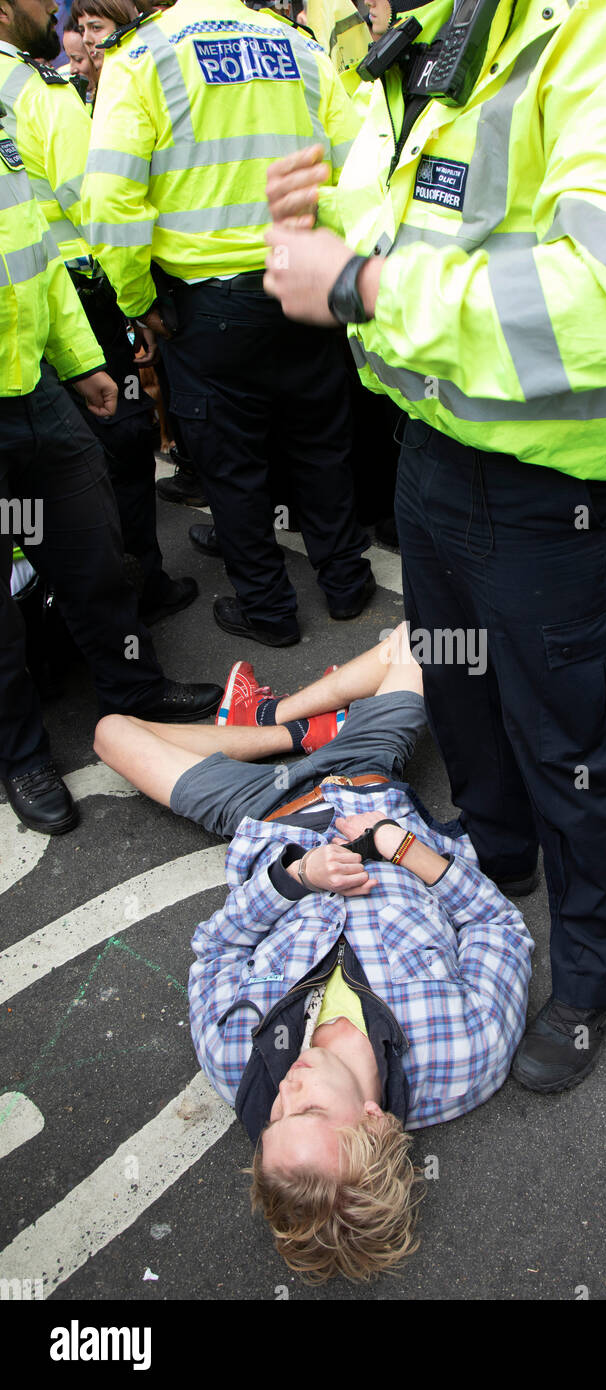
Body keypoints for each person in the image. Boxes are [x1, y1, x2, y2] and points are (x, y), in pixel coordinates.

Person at [262, 0, 606, 1093]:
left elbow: (600, 294)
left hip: (548, 481)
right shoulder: (469, 16)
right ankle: (497, 856)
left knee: (562, 744)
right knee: (464, 697)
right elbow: (436, 215)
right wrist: (329, 211)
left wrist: (356, 283)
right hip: (432, 448)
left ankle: (590, 966)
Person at [92, 625, 534, 1282]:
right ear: (374, 1119)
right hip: (367, 783)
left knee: (109, 734)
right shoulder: (465, 1051)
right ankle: (300, 728)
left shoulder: (237, 1057)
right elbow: (499, 926)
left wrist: (291, 881)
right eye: (307, 1109)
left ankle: (286, 733)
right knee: (433, 635)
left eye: (271, 1120)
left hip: (266, 816)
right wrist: (398, 846)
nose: (283, 1090)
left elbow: (215, 953)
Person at [80, 0, 376, 648]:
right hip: (304, 277)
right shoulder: (294, 42)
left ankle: (269, 610)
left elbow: (109, 201)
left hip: (210, 304)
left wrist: (136, 301)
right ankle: (347, 583)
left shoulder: (143, 55)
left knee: (232, 464)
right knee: (320, 441)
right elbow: (360, 165)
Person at [0, 132, 221, 835]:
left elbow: (32, 257)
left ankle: (136, 691)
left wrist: (80, 360)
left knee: (93, 554)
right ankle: (22, 755)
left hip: (33, 392)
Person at [0, 0, 199, 624]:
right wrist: (135, 303)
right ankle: (141, 586)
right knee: (120, 447)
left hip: (34, 317)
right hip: (82, 296)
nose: (56, 19)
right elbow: (95, 204)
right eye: (45, 5)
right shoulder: (39, 90)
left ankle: (50, 607)